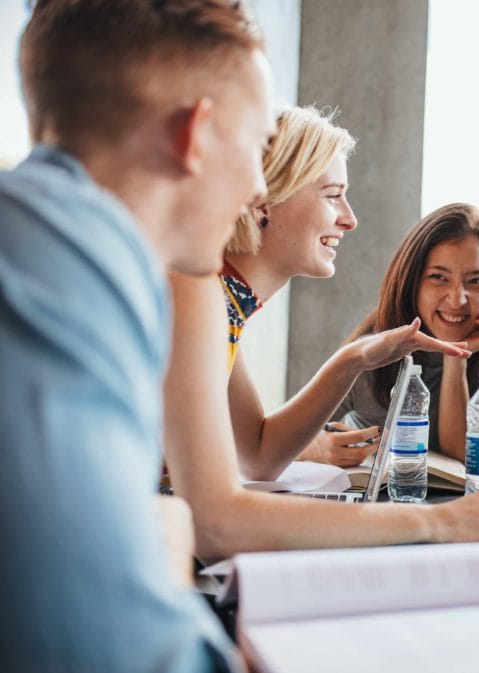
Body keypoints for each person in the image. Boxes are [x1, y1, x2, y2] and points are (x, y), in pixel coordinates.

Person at [0, 1, 275, 671]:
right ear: (197, 136)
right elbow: (104, 646)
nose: (261, 186)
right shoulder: (68, 264)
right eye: (259, 145)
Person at [164, 107, 479, 561]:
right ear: (263, 200)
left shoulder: (224, 307)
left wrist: (352, 359)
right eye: (333, 195)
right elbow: (218, 523)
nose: (350, 220)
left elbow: (257, 455)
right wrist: (438, 521)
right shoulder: (198, 298)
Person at [336, 202, 479, 462]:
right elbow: (293, 441)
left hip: (451, 496)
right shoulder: (373, 349)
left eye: (476, 281)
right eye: (438, 277)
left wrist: (456, 355)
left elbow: (463, 453)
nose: (457, 300)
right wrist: (321, 448)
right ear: (413, 282)